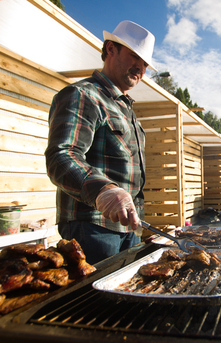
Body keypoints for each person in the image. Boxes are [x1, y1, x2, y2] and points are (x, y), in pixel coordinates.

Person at [45, 20, 156, 264]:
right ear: (110, 49)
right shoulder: (83, 95)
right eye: (134, 56)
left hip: (128, 228)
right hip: (92, 228)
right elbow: (61, 156)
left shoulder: (125, 108)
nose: (140, 67)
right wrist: (104, 190)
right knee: (97, 301)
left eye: (145, 63)